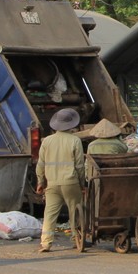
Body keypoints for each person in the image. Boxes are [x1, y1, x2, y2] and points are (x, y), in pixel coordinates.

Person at [36, 107, 86, 253]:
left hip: (52, 183)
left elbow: (40, 164)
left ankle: (45, 243)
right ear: (71, 125)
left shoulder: (46, 141)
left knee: (49, 214)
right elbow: (80, 166)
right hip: (70, 183)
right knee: (74, 212)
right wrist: (82, 184)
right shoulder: (75, 141)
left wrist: (40, 182)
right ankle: (76, 240)